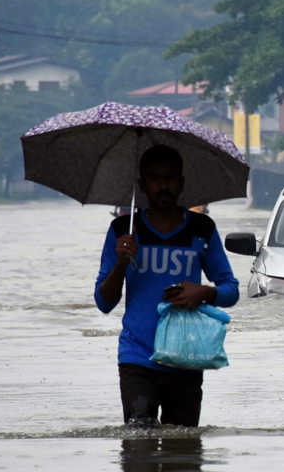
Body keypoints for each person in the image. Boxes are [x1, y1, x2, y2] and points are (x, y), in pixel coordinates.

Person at [95, 145, 240, 428]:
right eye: (154, 178)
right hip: (137, 358)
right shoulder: (123, 231)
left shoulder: (202, 229)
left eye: (171, 178)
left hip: (186, 357)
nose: (163, 185)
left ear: (182, 183)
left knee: (184, 457)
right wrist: (121, 264)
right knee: (138, 451)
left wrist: (205, 293)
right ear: (142, 185)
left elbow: (231, 290)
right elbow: (104, 302)